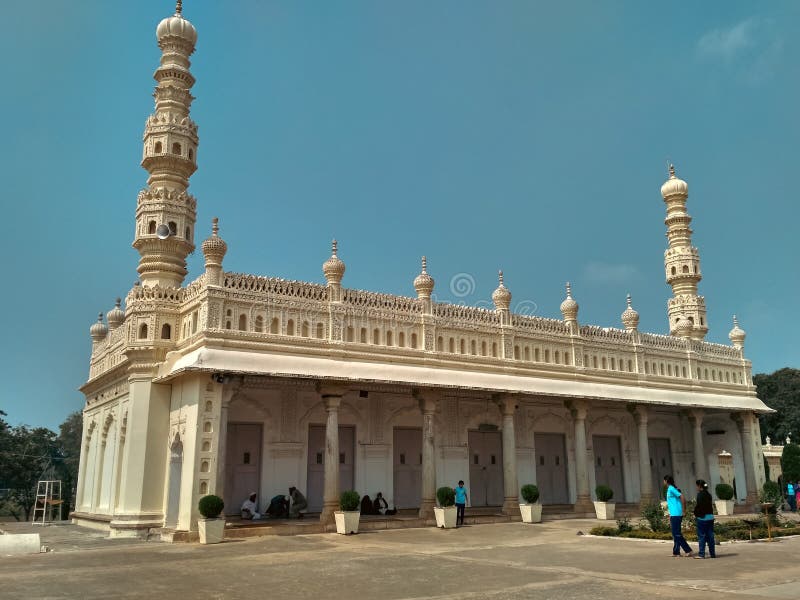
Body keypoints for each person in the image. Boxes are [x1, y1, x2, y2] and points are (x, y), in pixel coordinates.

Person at [664, 475, 693, 557]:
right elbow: (673, 503)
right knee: (675, 533)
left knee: (676, 533)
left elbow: (682, 497)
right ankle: (676, 552)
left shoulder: (672, 489)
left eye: (664, 480)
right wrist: (670, 514)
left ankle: (688, 550)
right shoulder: (670, 489)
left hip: (677, 514)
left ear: (666, 481)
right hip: (674, 514)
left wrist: (684, 510)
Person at [693, 479, 716, 559]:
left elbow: (700, 506)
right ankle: (712, 554)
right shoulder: (708, 494)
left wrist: (696, 513)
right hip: (710, 517)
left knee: (702, 536)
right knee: (710, 536)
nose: (696, 487)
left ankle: (701, 554)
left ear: (699, 486)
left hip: (702, 518)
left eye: (697, 486)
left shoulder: (700, 495)